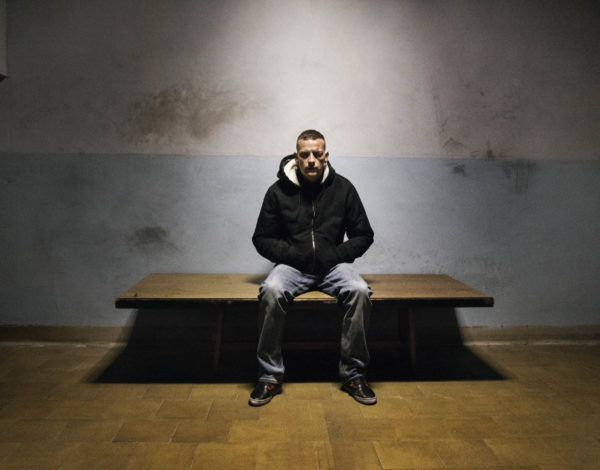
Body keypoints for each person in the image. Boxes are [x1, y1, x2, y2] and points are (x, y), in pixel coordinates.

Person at [249, 129, 376, 406]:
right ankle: (269, 377)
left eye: (317, 154)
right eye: (305, 154)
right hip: (292, 267)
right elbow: (261, 238)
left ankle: (354, 375)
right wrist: (293, 255)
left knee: (359, 291)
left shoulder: (343, 188)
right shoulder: (277, 191)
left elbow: (364, 234)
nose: (311, 160)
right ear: (296, 156)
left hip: (332, 267)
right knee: (271, 290)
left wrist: (335, 255)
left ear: (325, 155)